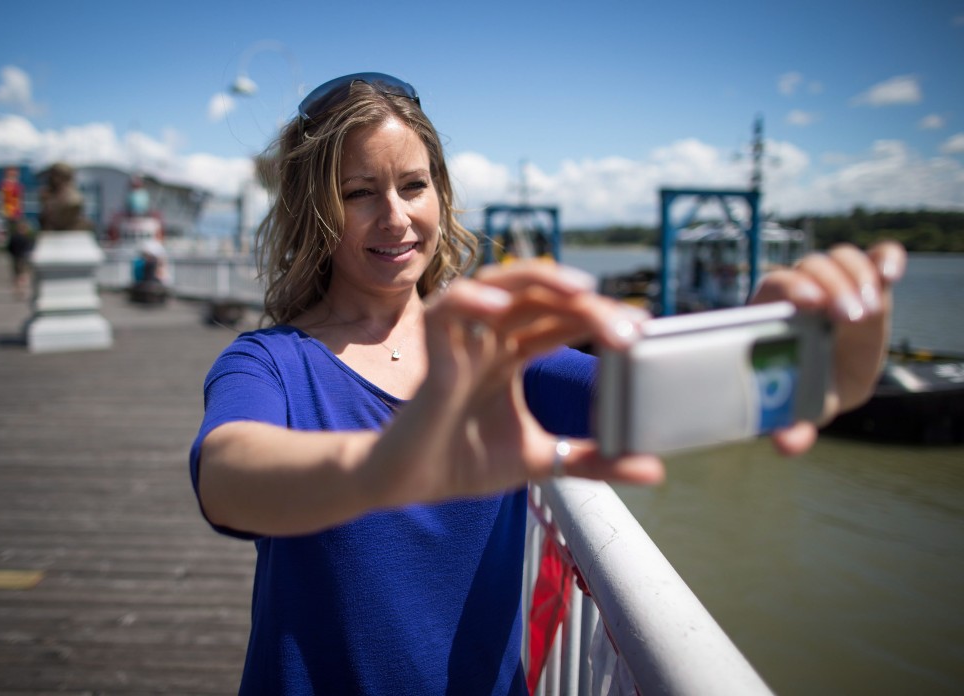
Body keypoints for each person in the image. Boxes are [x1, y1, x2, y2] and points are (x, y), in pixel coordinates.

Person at [190, 72, 905, 695]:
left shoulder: (497, 359)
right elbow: (227, 476)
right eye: (359, 192)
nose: (397, 216)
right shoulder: (270, 362)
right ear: (315, 208)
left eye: (414, 185)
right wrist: (384, 466)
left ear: (442, 193)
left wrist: (824, 369)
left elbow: (663, 397)